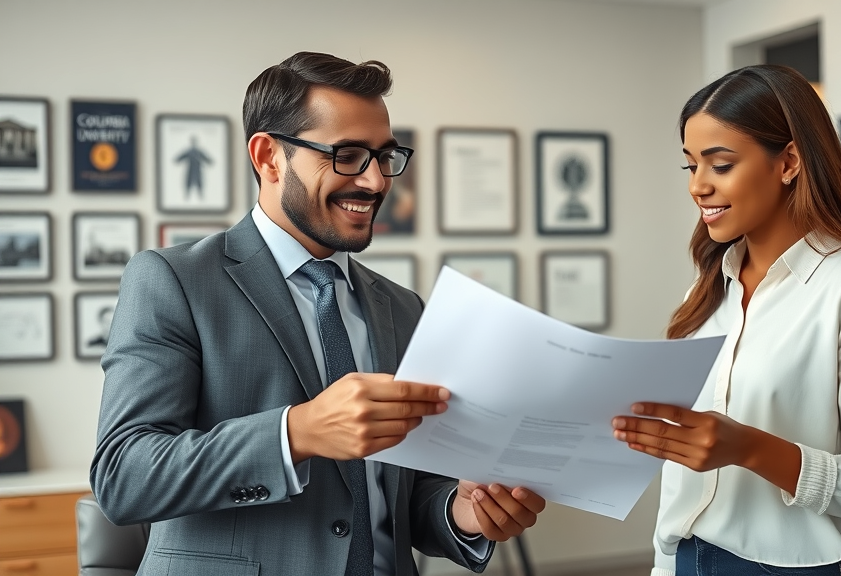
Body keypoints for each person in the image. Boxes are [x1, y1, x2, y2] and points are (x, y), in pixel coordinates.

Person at [91, 52, 545, 576]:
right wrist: (297, 433)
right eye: (349, 155)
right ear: (268, 157)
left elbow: (405, 494)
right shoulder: (174, 281)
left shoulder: (401, 307)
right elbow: (124, 475)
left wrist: (464, 513)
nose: (376, 182)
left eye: (385, 156)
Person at [611, 65, 841, 576]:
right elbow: (681, 481)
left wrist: (751, 448)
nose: (699, 187)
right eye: (691, 167)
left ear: (789, 162)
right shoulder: (707, 291)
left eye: (721, 164)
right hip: (690, 558)